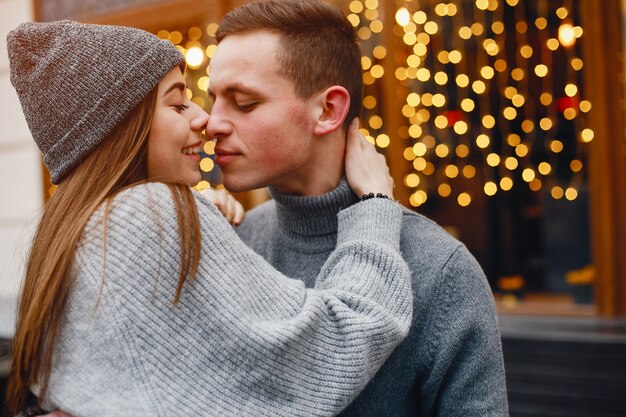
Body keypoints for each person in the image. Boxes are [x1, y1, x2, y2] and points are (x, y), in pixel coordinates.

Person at [5, 20, 414, 417]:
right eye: (178, 103)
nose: (204, 120)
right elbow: (331, 349)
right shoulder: (153, 213)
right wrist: (375, 204)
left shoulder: (74, 232)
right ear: (123, 127)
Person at [207, 1, 509, 416]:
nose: (212, 123)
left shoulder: (440, 270)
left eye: (243, 103)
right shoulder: (233, 240)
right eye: (213, 99)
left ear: (328, 110)